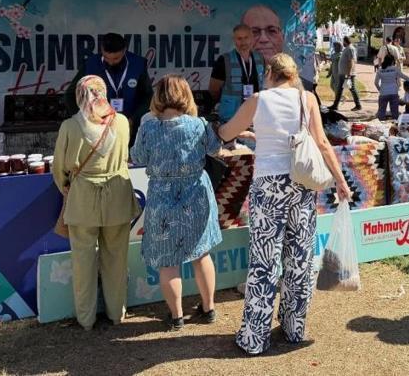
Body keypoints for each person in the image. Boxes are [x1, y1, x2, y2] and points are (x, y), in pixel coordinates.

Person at [216, 53, 351, 355]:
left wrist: (239, 131)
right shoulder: (308, 99)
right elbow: (322, 143)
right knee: (299, 259)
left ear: (269, 74)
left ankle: (254, 338)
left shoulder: (258, 100)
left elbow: (226, 132)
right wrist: (340, 182)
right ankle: (294, 329)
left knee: (265, 261)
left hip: (269, 185)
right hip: (302, 184)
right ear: (292, 75)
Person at [131, 75, 223, 331]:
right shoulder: (199, 125)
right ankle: (209, 307)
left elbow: (137, 156)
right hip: (196, 194)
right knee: (202, 254)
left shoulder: (148, 126)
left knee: (167, 263)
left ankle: (177, 316)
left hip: (162, 196)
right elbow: (216, 149)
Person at [53, 76, 141, 330]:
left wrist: (67, 187)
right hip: (118, 196)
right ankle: (117, 313)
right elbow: (125, 156)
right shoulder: (122, 122)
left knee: (83, 261)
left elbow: (59, 169)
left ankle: (86, 318)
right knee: (117, 258)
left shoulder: (70, 126)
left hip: (83, 198)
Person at [65, 33, 153, 144]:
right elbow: (70, 95)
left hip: (130, 128)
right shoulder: (90, 65)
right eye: (106, 58)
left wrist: (134, 119)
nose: (111, 62)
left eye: (116, 58)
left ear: (124, 50)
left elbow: (148, 95)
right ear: (101, 50)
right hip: (99, 130)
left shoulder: (138, 64)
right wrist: (85, 120)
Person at [209, 24, 266, 123]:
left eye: (246, 38)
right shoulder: (223, 60)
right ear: (234, 40)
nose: (243, 42)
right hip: (231, 118)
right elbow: (213, 89)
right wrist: (226, 102)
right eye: (239, 38)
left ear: (251, 38)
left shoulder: (260, 58)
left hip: (256, 116)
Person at [375, 54, 409, 120]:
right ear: (392, 61)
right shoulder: (395, 69)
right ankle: (396, 126)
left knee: (381, 113)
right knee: (395, 113)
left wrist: (380, 90)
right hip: (394, 93)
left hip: (383, 93)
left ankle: (381, 125)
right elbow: (404, 76)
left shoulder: (380, 70)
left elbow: (376, 83)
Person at [330, 36, 361, 111]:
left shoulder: (350, 49)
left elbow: (351, 61)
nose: (342, 43)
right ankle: (335, 105)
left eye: (343, 41)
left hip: (347, 74)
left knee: (352, 88)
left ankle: (358, 105)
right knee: (339, 89)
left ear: (345, 41)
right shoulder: (347, 49)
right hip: (343, 73)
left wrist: (349, 73)